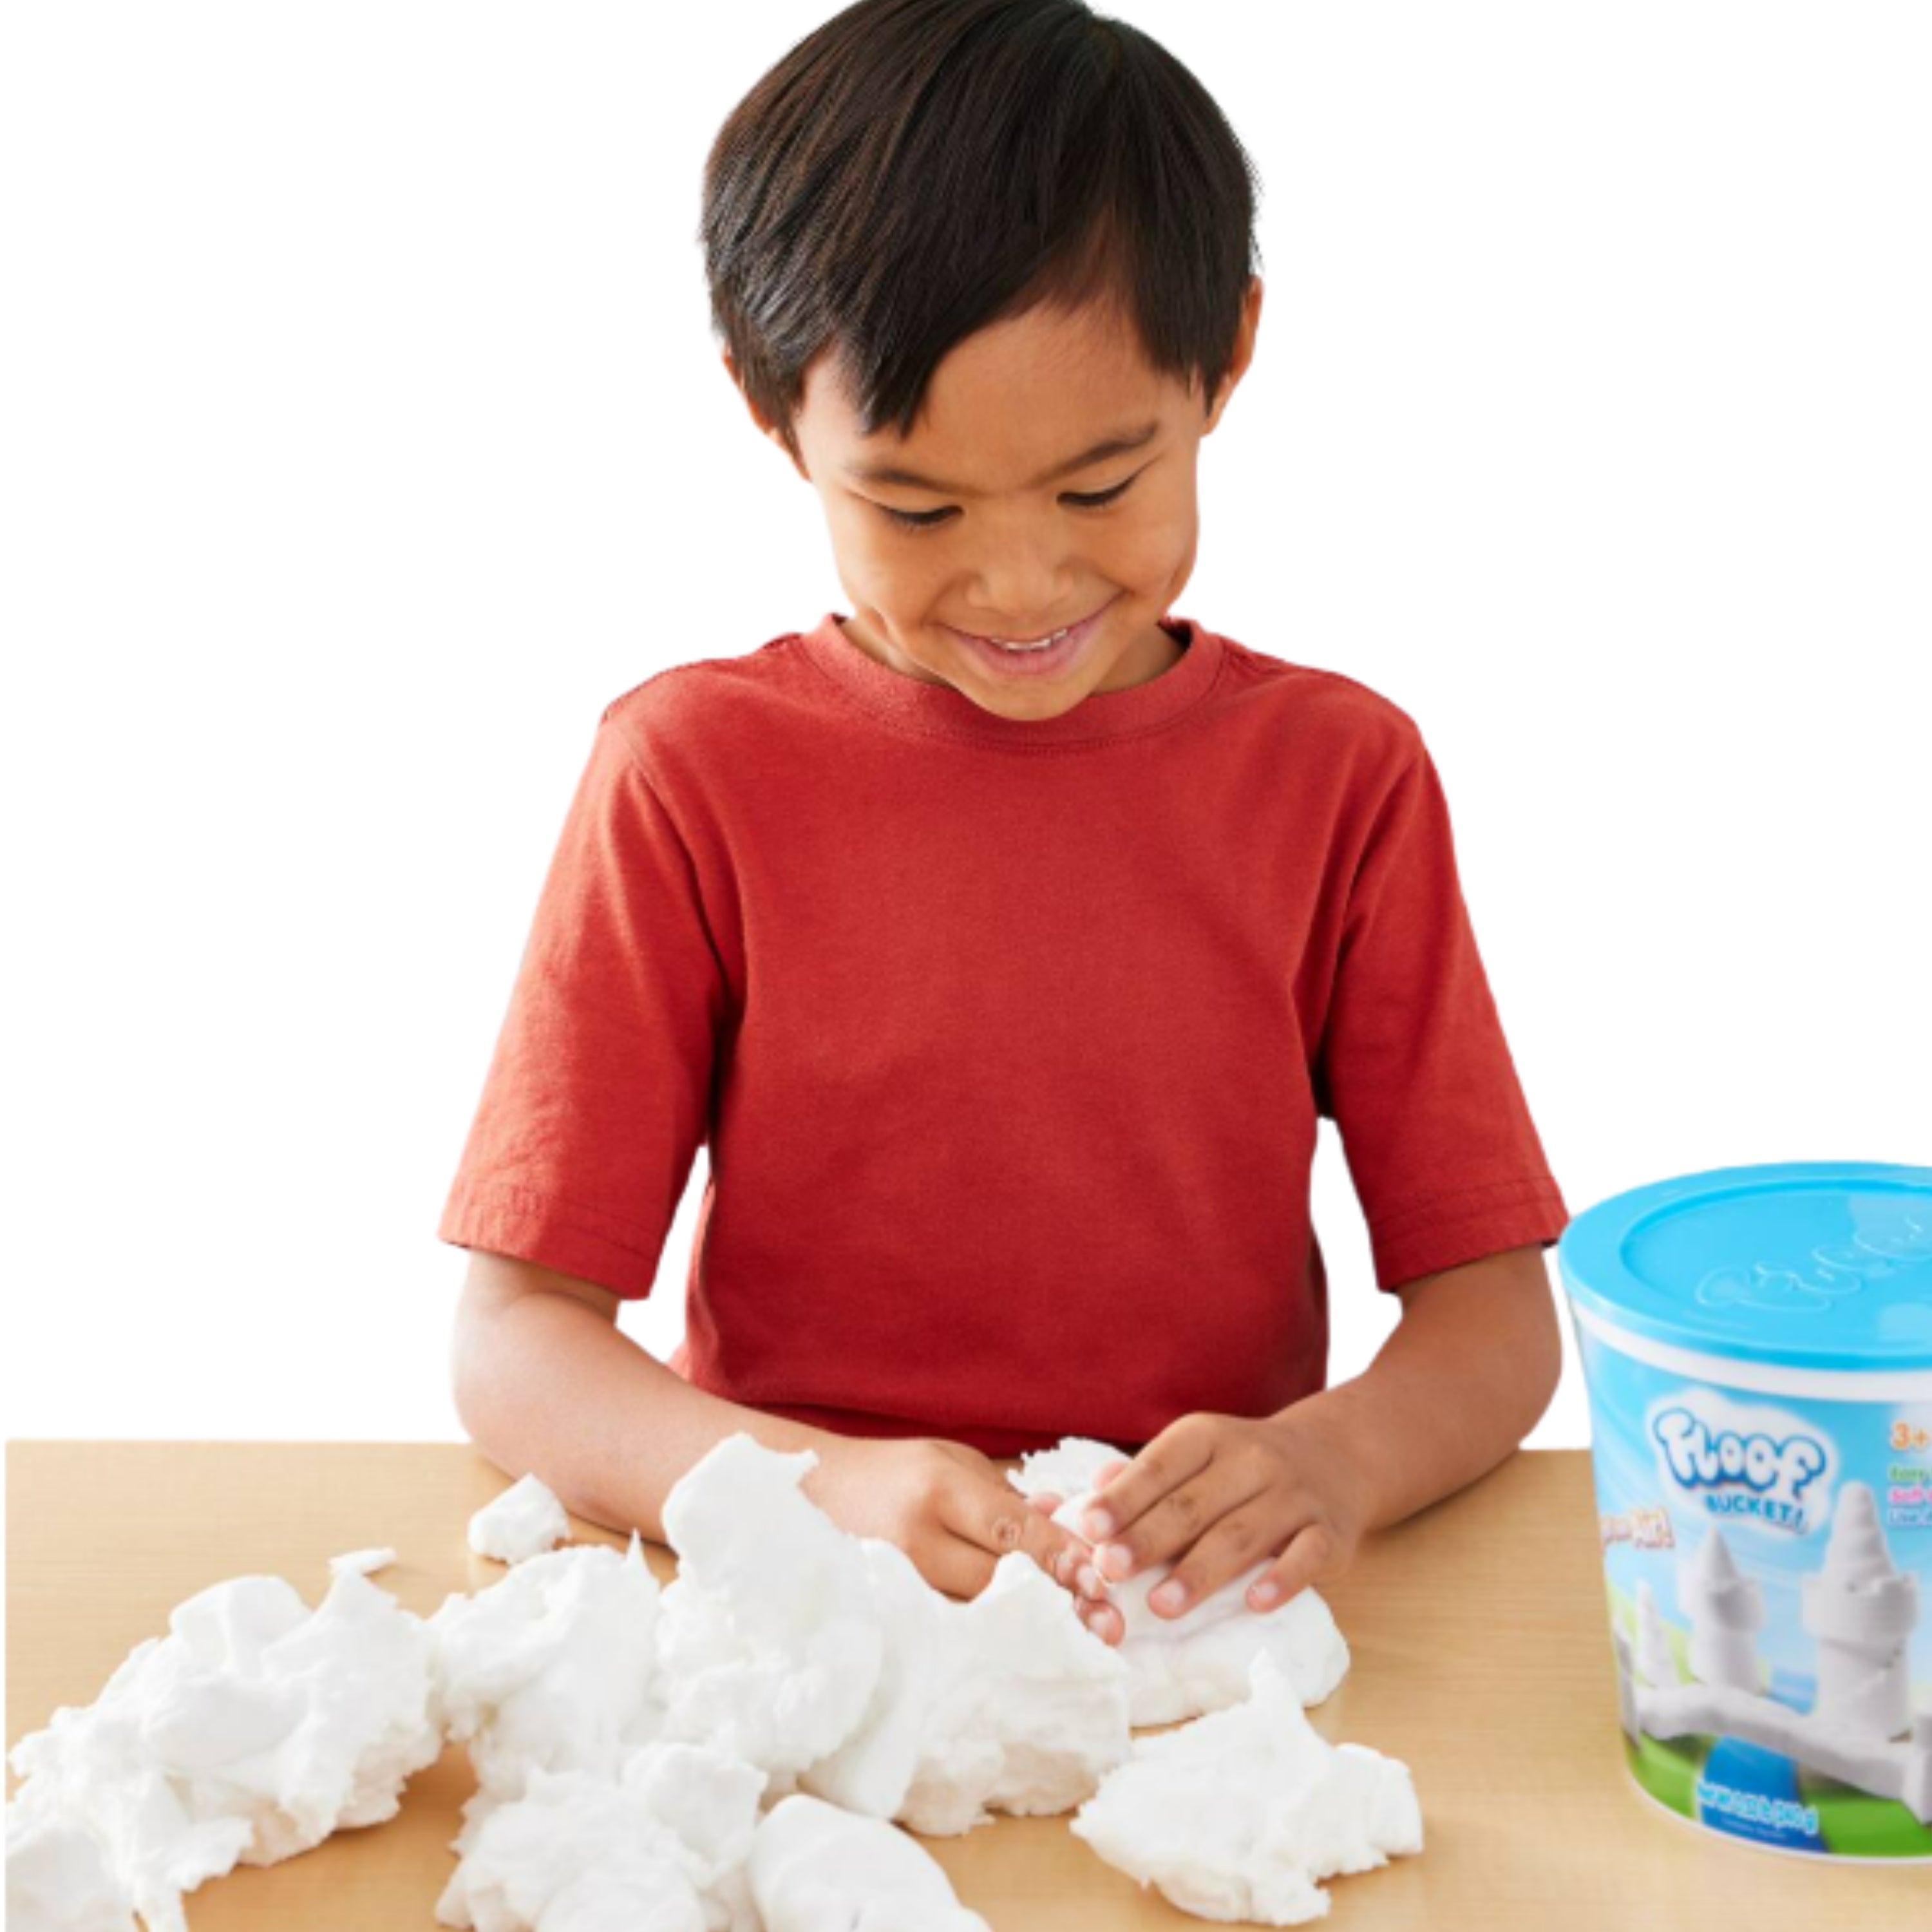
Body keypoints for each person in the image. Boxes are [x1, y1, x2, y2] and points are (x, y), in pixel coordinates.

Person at [440, 0, 1569, 1647]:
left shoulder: (1340, 778)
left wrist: (1333, 1460)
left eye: (1104, 487)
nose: (1023, 582)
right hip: (793, 1622)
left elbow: (1492, 1314)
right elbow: (514, 1342)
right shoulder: (689, 774)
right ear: (777, 417)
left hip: (1197, 1633)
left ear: (1228, 360)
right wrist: (812, 1487)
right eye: (915, 506)